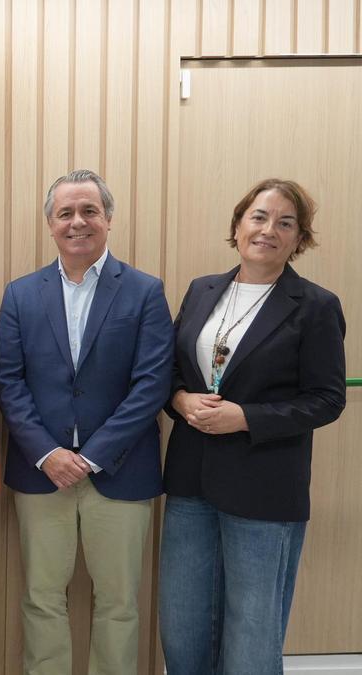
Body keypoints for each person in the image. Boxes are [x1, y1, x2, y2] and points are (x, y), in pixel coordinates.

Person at [158, 179, 346, 675]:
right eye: (259, 217)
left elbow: (327, 400)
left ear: (299, 238)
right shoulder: (202, 291)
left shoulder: (316, 306)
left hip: (265, 486)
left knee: (251, 632)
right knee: (182, 625)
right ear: (238, 225)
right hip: (190, 480)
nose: (269, 230)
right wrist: (180, 398)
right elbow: (173, 372)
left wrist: (245, 417)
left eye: (286, 223)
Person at [0, 169, 173, 675]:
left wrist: (91, 455)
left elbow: (152, 385)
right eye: (65, 213)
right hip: (40, 472)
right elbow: (9, 382)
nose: (78, 222)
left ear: (108, 219)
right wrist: (49, 454)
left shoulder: (143, 291)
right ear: (50, 224)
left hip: (120, 472)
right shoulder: (21, 294)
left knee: (118, 602)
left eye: (89, 211)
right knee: (41, 596)